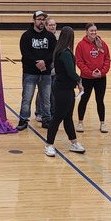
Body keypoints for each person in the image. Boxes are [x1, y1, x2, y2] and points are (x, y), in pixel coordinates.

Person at [44, 25, 85, 157]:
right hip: (63, 89)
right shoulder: (65, 53)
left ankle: (74, 142)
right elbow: (71, 72)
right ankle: (49, 144)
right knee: (57, 117)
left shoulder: (59, 50)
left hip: (65, 88)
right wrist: (79, 80)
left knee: (68, 117)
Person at [17, 10, 56, 130]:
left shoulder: (50, 36)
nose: (41, 21)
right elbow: (25, 53)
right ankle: (23, 120)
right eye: (39, 19)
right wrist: (37, 63)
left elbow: (53, 52)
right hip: (30, 73)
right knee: (27, 98)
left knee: (46, 98)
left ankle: (46, 119)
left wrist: (45, 62)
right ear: (34, 20)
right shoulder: (26, 36)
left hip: (45, 73)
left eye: (43, 19)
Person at [75, 22, 110, 133]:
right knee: (84, 100)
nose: (93, 32)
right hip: (86, 78)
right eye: (91, 30)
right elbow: (79, 62)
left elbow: (107, 59)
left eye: (95, 30)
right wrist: (90, 73)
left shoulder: (102, 44)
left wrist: (102, 72)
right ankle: (80, 122)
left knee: (100, 100)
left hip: (101, 78)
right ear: (87, 32)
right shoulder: (81, 45)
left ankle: (102, 123)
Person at [35, 15, 60, 122]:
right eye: (50, 25)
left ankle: (52, 113)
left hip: (55, 69)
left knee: (53, 92)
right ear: (45, 26)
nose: (53, 27)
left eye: (54, 25)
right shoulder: (43, 38)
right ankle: (39, 112)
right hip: (45, 69)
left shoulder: (59, 38)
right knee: (42, 92)